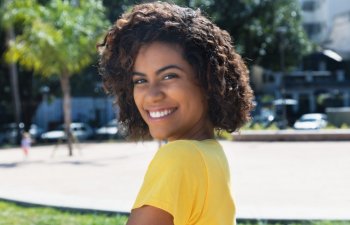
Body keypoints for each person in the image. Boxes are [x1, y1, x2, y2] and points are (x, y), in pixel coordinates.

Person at [97, 2, 254, 225]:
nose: (152, 95)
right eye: (140, 80)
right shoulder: (210, 153)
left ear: (207, 80)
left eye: (169, 76)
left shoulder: (179, 157)